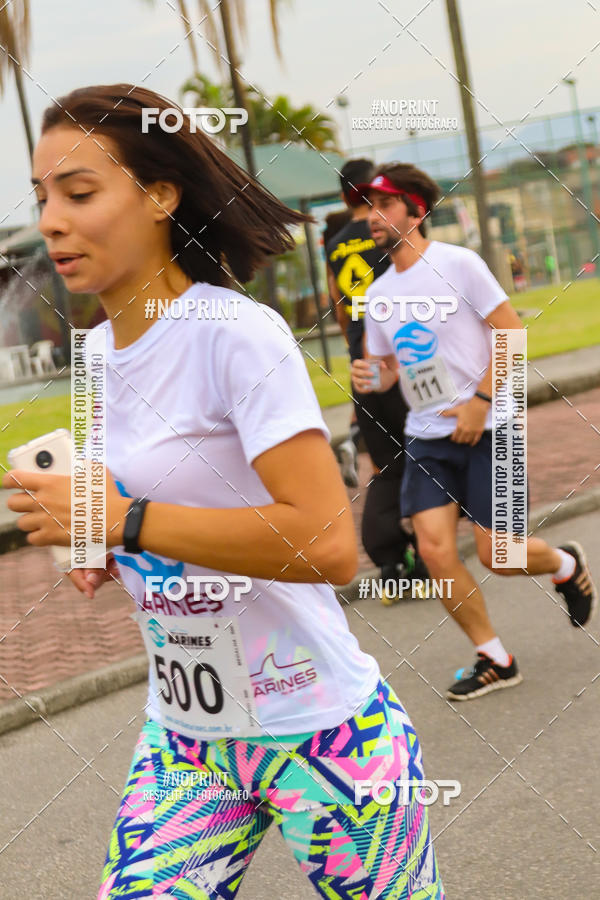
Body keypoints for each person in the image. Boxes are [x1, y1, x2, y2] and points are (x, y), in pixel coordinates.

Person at [3, 86, 445, 899]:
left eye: (79, 193)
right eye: (42, 199)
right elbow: (135, 514)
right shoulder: (95, 356)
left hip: (321, 732)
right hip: (188, 741)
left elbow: (328, 546)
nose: (52, 222)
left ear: (160, 196)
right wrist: (98, 543)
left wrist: (127, 521)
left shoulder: (236, 334)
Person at [352, 162, 597, 700]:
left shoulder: (458, 264)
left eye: (384, 204)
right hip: (427, 436)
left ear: (416, 210)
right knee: (435, 552)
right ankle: (495, 658)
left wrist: (480, 402)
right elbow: (388, 367)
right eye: (368, 206)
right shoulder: (379, 292)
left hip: (493, 428)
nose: (372, 216)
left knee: (500, 555)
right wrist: (373, 376)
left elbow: (511, 333)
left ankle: (564, 563)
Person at [326, 159, 428, 599]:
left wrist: (355, 344)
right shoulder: (386, 233)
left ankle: (390, 562)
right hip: (400, 358)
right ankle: (428, 553)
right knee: (424, 455)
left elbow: (338, 302)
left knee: (384, 467)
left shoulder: (334, 243)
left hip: (362, 362)